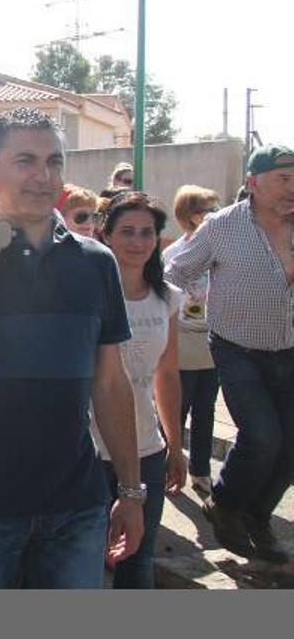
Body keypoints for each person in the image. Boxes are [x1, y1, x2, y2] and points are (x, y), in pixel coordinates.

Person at [0, 107, 143, 589]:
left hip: (77, 508)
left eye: (54, 161)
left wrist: (130, 491)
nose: (43, 176)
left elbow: (110, 384)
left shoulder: (96, 262)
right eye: (26, 161)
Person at [165, 144, 294, 563]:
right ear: (253, 183)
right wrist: (169, 315)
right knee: (262, 436)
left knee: (290, 446)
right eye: (284, 179)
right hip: (237, 348)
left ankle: (256, 518)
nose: (292, 188)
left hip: (289, 348)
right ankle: (224, 503)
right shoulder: (222, 226)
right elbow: (175, 271)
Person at [94, 192, 185, 588]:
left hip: (147, 447)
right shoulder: (88, 295)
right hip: (89, 450)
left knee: (138, 558)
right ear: (106, 235)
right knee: (87, 558)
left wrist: (175, 445)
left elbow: (167, 375)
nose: (138, 241)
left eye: (147, 232)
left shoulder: (168, 298)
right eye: (127, 231)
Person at [163, 185, 221, 496]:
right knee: (177, 409)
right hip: (182, 342)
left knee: (205, 409)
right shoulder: (173, 254)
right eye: (207, 210)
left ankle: (201, 471)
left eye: (215, 209)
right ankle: (168, 467)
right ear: (189, 215)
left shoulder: (220, 250)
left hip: (212, 341)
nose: (214, 216)